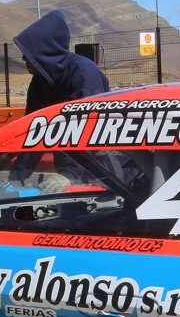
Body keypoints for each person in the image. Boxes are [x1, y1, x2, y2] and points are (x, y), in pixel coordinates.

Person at [9, 10, 110, 187]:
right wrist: (17, 178)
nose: (24, 58)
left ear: (46, 51)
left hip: (103, 173)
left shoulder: (83, 73)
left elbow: (87, 129)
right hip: (72, 169)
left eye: (30, 53)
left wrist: (69, 176)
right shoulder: (40, 82)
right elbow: (33, 132)